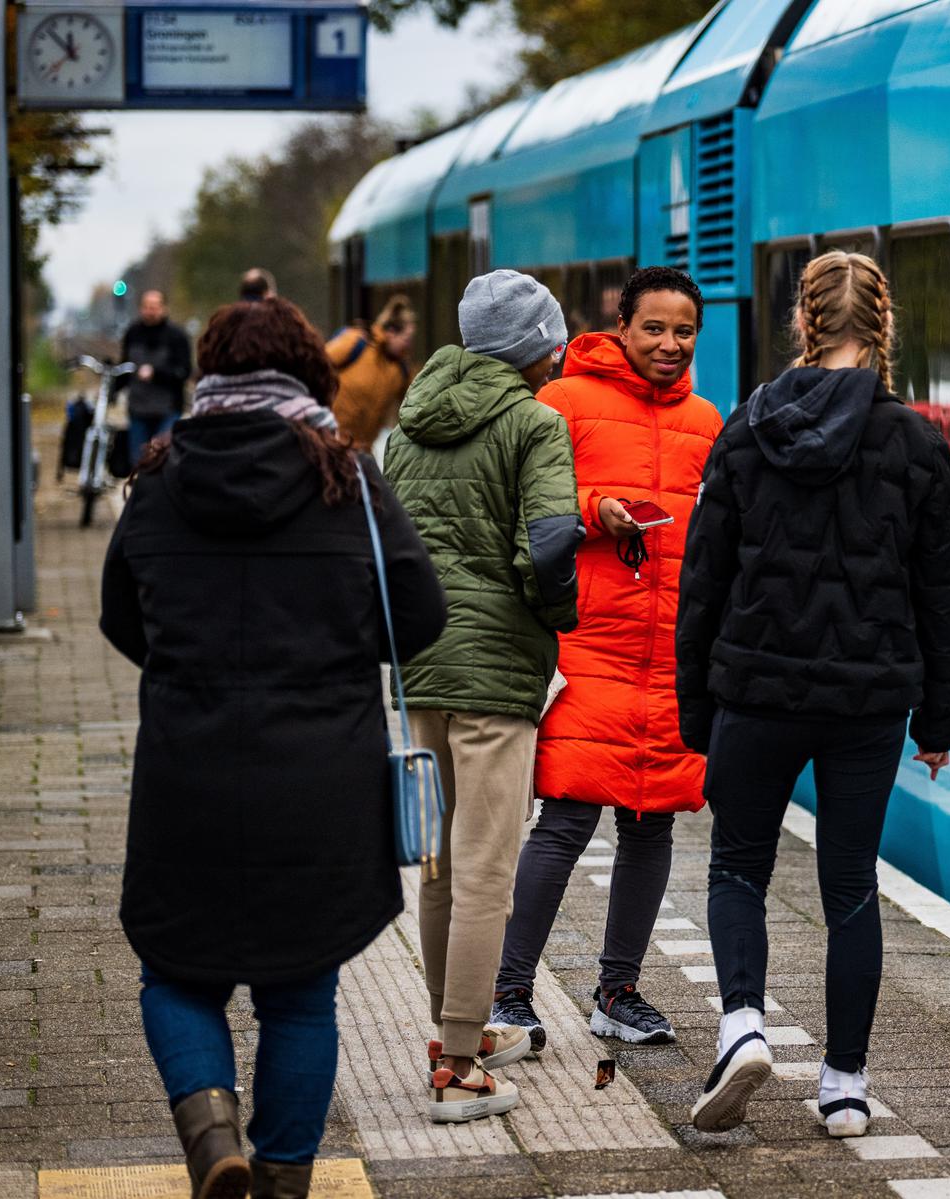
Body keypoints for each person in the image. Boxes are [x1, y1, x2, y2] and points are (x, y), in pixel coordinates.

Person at [99, 297, 447, 1199]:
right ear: (311, 372)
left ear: (207, 373)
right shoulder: (349, 477)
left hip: (189, 768)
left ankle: (215, 1140)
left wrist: (194, 670)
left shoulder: (160, 475)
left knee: (175, 973)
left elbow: (119, 615)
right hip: (321, 777)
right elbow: (420, 615)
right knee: (301, 988)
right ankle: (285, 1177)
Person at [676, 251, 950, 1138]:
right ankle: (843, 1085)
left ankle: (742, 1026)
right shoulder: (916, 442)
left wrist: (698, 710)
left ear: (803, 325)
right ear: (883, 328)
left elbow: (704, 580)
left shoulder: (744, 430)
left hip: (756, 689)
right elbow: (942, 592)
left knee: (737, 867)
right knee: (849, 887)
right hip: (868, 701)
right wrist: (939, 718)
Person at [488, 267, 723, 1052]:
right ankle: (509, 993)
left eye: (682, 330)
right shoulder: (563, 403)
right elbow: (527, 507)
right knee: (565, 817)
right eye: (653, 327)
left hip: (670, 653)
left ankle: (617, 991)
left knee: (652, 824)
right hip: (587, 644)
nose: (668, 343)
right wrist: (597, 513)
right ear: (620, 326)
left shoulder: (706, 420)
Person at [383, 270, 584, 1123]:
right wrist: (557, 617)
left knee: (437, 866)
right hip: (497, 676)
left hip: (419, 666)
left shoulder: (407, 429)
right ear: (540, 344)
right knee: (486, 872)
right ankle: (459, 1066)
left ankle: (451, 1028)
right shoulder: (536, 424)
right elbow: (545, 548)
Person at [327, 296, 417, 447]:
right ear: (391, 332)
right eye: (406, 339)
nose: (408, 346)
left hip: (362, 449)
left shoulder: (401, 370)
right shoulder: (357, 342)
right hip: (331, 440)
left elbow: (415, 404)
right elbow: (317, 363)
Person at [120, 289, 193, 464]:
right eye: (146, 306)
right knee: (138, 461)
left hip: (168, 410)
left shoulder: (177, 336)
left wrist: (156, 374)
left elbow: (185, 371)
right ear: (140, 308)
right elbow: (124, 366)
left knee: (163, 460)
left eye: (154, 307)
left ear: (164, 308)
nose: (150, 311)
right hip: (137, 409)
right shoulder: (132, 333)